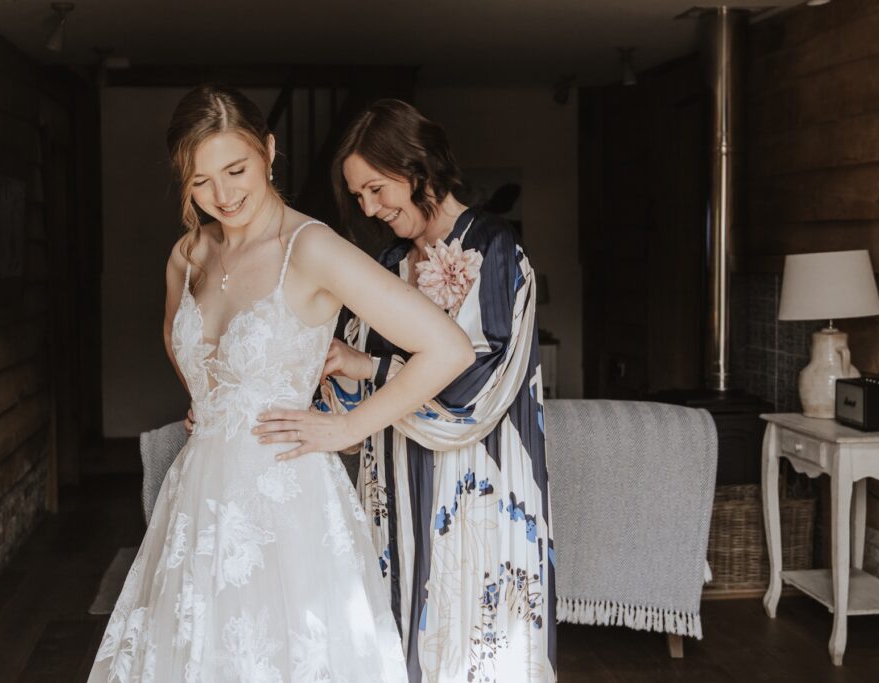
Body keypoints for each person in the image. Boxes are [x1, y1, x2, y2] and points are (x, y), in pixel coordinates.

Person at [88, 85, 474, 682]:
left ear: (269, 151)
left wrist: (347, 425)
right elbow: (183, 346)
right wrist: (213, 398)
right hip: (196, 503)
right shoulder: (186, 256)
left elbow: (447, 347)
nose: (223, 195)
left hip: (287, 506)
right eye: (200, 181)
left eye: (237, 169)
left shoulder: (311, 248)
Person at [257, 100, 556, 682]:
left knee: (476, 648)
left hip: (478, 491)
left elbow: (477, 387)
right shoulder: (389, 263)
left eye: (376, 188)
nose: (369, 208)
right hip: (393, 487)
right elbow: (340, 401)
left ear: (417, 166)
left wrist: (370, 369)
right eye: (358, 195)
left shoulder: (496, 251)